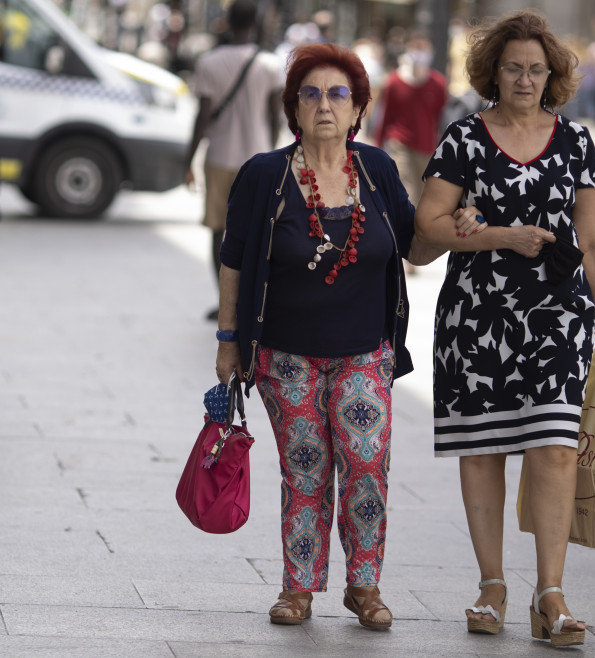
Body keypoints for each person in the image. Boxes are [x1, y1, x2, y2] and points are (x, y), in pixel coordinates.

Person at [415, 10, 595, 647]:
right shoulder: (464, 140)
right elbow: (426, 225)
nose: (525, 78)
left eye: (536, 69)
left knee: (556, 450)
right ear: (493, 72)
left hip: (558, 321)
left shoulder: (578, 141)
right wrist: (502, 236)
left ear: (552, 75)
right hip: (476, 320)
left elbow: (590, 239)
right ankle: (492, 586)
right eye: (513, 67)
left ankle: (551, 594)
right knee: (482, 451)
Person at [214, 42, 443, 629]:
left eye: (338, 94)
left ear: (359, 107)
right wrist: (228, 339)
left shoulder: (379, 171)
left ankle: (364, 584)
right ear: (293, 107)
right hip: (286, 356)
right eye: (310, 94)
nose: (324, 105)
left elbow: (415, 245)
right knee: (306, 468)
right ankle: (299, 588)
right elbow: (234, 260)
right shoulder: (265, 175)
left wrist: (453, 229)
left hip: (367, 351)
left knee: (366, 465)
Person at [183, 0, 283, 321]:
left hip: (219, 157)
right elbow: (275, 116)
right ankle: (249, 301)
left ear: (227, 21)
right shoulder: (270, 64)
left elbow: (203, 115)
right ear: (256, 23)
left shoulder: (209, 62)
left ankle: (224, 301)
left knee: (218, 231)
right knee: (257, 232)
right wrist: (275, 154)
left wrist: (189, 159)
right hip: (258, 161)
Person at [374, 31, 448, 227]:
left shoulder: (438, 83)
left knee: (424, 195)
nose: (419, 52)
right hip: (400, 144)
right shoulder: (393, 82)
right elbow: (384, 116)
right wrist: (377, 146)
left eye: (423, 47)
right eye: (415, 47)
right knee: (406, 193)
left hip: (427, 147)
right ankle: (405, 243)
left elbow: (442, 118)